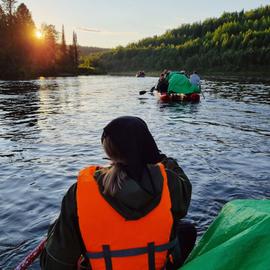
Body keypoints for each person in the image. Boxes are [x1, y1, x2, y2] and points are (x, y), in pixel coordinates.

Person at [40, 116, 196, 270]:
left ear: (108, 151)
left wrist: (55, 230)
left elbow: (54, 265)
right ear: (148, 146)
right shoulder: (169, 182)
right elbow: (184, 198)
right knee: (187, 230)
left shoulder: (79, 192)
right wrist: (162, 159)